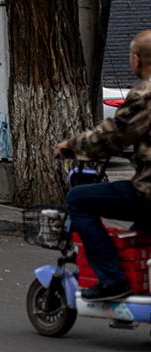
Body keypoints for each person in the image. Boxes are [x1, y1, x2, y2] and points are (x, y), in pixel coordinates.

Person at [56, 30, 151, 300]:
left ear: (136, 59)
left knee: (79, 200)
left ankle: (113, 281)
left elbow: (113, 136)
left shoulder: (145, 94)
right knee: (140, 233)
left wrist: (71, 146)